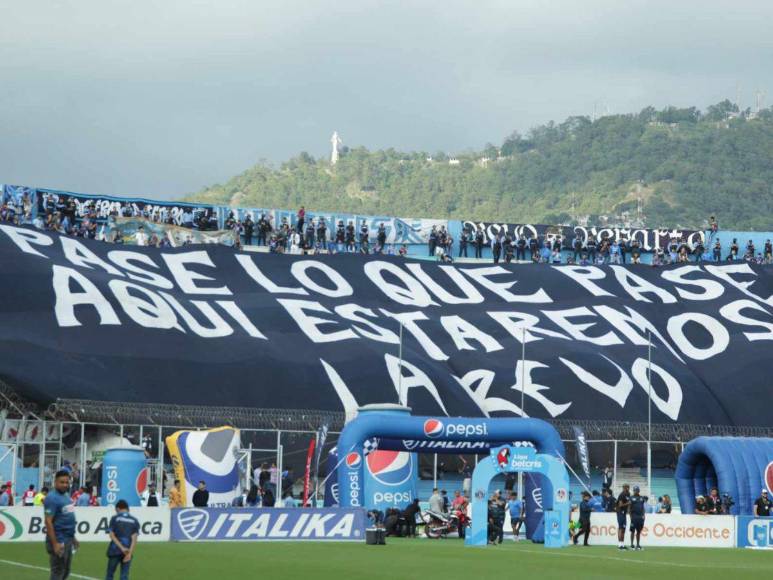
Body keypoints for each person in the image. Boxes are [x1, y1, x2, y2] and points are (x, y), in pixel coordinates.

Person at [44, 470, 79, 580]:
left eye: (66, 482)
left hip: (68, 538)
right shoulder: (52, 498)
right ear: (55, 482)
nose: (65, 484)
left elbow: (66, 519)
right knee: (58, 571)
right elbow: (48, 521)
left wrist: (73, 538)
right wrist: (55, 543)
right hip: (59, 539)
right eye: (62, 482)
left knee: (66, 570)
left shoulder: (67, 496)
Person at [105, 499, 139, 580]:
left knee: (110, 574)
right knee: (124, 576)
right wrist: (129, 553)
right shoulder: (134, 520)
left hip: (115, 550)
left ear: (118, 509)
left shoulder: (115, 518)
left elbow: (112, 535)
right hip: (127, 552)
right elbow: (134, 539)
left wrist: (122, 548)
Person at [629, 485, 647, 550]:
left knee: (639, 531)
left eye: (637, 490)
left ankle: (638, 545)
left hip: (640, 517)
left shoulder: (642, 498)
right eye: (635, 490)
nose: (636, 491)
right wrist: (630, 516)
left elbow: (643, 507)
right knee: (632, 531)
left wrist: (644, 515)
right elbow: (629, 508)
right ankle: (631, 545)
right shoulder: (631, 498)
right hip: (634, 517)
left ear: (639, 491)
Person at [615, 484, 631, 550]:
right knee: (621, 528)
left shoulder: (628, 494)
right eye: (627, 487)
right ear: (624, 488)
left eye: (628, 487)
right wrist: (628, 503)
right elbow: (620, 505)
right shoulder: (622, 495)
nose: (628, 488)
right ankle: (619, 545)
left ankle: (622, 544)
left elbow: (627, 503)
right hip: (620, 512)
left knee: (624, 528)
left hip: (624, 513)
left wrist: (628, 510)